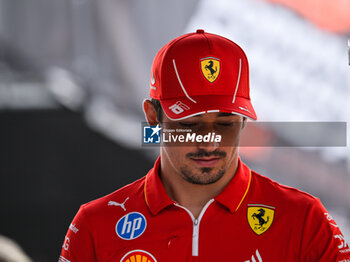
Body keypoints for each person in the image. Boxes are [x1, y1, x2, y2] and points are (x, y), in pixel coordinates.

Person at [59, 29, 350, 262]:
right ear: (152, 117)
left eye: (225, 121)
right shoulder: (95, 225)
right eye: (189, 121)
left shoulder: (303, 220)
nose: (209, 140)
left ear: (245, 122)